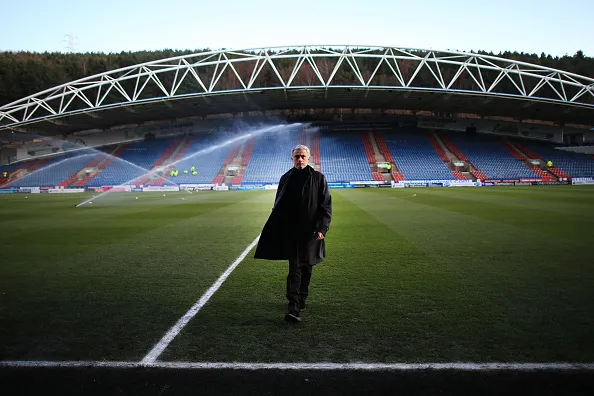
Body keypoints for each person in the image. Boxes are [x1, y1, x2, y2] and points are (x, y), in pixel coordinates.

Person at [254, 144, 332, 323]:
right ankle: (293, 307)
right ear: (292, 159)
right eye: (297, 156)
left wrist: (322, 228)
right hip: (292, 233)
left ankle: (302, 298)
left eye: (303, 156)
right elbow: (278, 204)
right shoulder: (286, 178)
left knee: (307, 268)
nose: (300, 159)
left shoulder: (319, 178)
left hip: (312, 234)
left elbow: (325, 206)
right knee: (294, 269)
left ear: (308, 158)